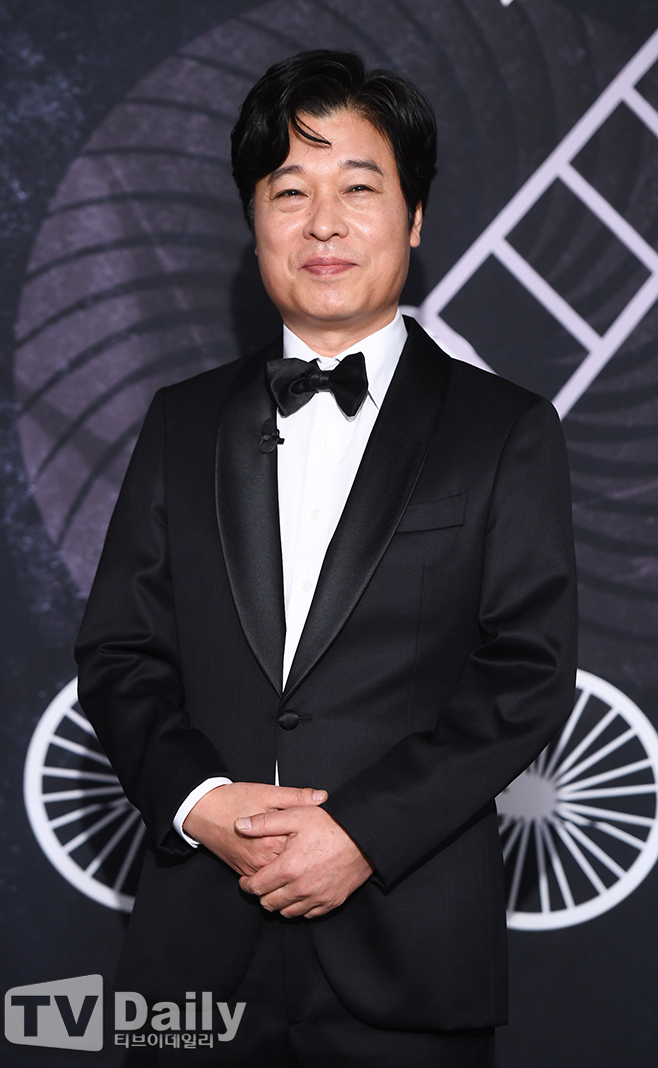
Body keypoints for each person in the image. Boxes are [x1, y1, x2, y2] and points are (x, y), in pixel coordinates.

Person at [75, 49, 578, 1067]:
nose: (323, 224)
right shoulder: (181, 422)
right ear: (254, 221)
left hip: (407, 949)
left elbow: (525, 672)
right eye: (289, 191)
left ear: (414, 217)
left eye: (358, 187)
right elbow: (120, 652)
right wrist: (200, 802)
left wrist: (362, 834)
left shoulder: (503, 429)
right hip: (195, 951)